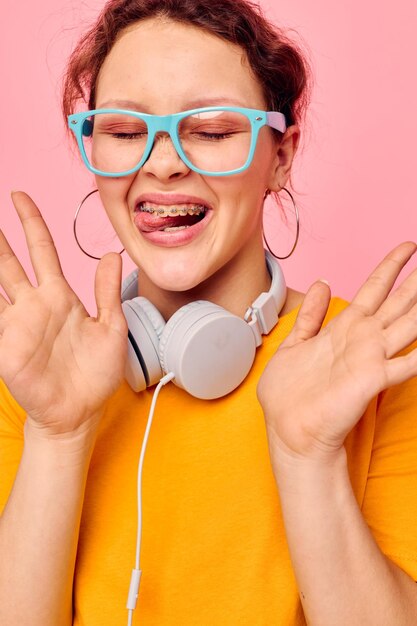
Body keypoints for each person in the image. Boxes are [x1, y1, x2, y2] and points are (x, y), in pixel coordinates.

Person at [0, 0, 417, 624]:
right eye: (123, 130)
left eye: (213, 131)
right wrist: (58, 437)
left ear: (281, 156)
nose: (162, 162)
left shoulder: (377, 364)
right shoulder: (34, 372)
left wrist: (309, 462)